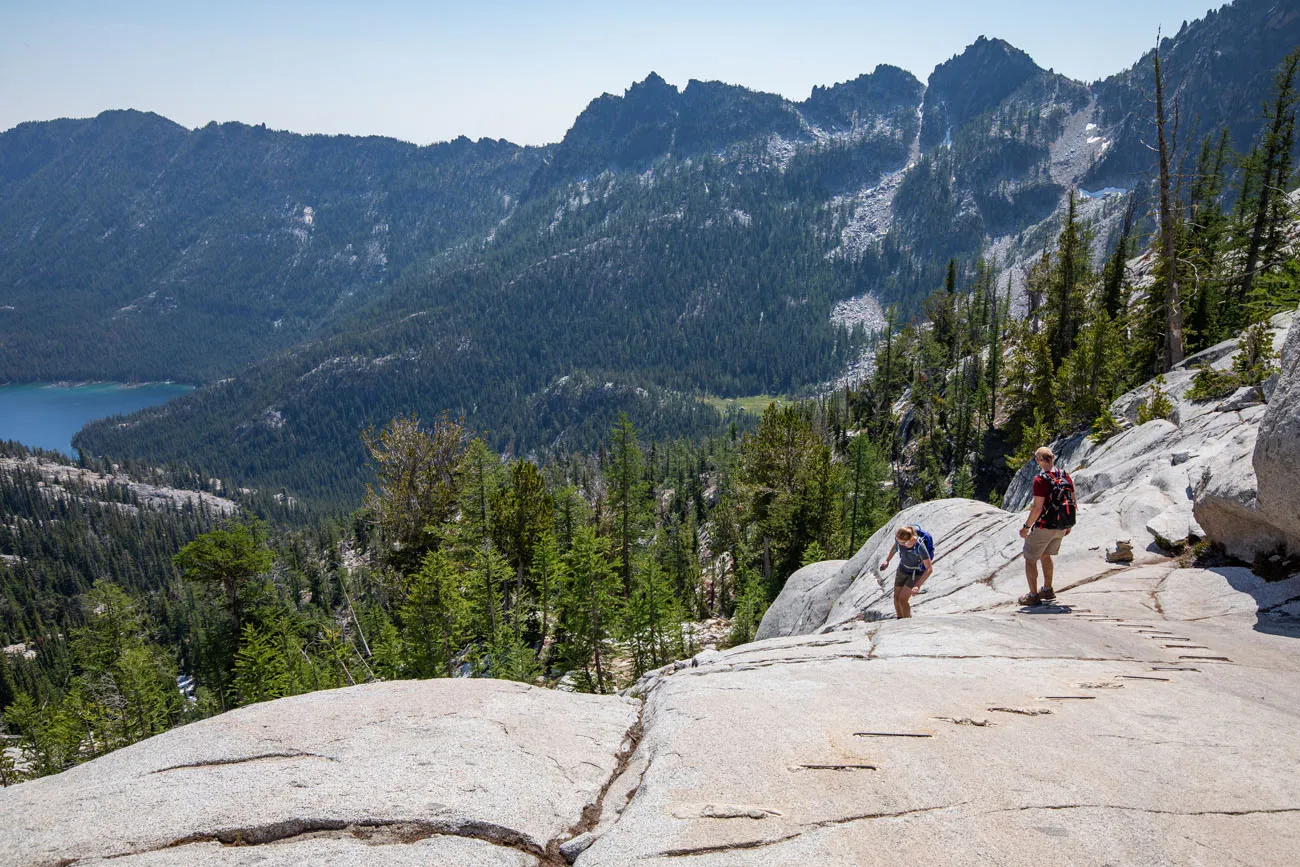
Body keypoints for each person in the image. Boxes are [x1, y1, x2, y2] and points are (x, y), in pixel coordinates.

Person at [1018, 446, 1076, 606]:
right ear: (1053, 458)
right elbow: (1073, 500)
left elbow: (1037, 508)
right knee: (1045, 555)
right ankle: (1048, 589)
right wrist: (1068, 523)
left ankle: (1033, 595)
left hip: (1045, 526)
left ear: (1038, 460)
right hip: (1061, 525)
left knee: (1030, 559)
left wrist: (1026, 526)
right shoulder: (1065, 475)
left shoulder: (1041, 480)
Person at [880, 525, 933, 619]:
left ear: (911, 538)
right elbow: (895, 548)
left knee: (903, 599)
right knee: (896, 598)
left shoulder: (919, 546)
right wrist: (887, 561)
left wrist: (917, 585)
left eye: (903, 542)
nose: (901, 544)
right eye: (899, 541)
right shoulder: (900, 540)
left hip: (916, 573)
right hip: (902, 570)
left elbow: (929, 568)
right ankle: (900, 619)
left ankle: (907, 622)